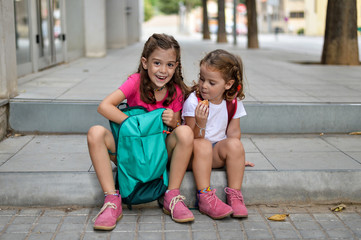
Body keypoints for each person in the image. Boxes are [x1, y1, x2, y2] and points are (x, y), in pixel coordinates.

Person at [87, 33, 195, 230]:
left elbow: (178, 129)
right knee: (95, 133)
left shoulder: (176, 91)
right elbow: (104, 107)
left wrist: (175, 122)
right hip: (131, 152)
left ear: (176, 66)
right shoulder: (135, 82)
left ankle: (172, 195)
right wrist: (137, 126)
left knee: (186, 133)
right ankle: (112, 200)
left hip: (157, 155)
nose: (163, 71)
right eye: (157, 63)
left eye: (170, 65)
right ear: (145, 63)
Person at [182, 49, 254, 220]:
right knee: (203, 144)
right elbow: (190, 138)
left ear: (227, 84)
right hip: (194, 155)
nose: (204, 85)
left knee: (235, 145)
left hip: (215, 154)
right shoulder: (194, 101)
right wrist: (201, 122)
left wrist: (236, 158)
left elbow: (234, 133)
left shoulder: (232, 102)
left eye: (211, 82)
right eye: (202, 79)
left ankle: (234, 195)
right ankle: (205, 196)